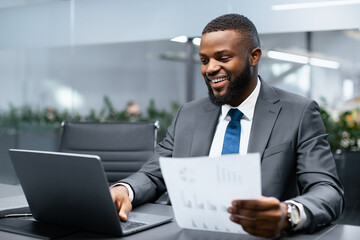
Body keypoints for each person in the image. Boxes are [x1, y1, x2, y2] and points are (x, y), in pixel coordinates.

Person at [110, 14, 344, 238]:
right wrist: (124, 189)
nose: (210, 69)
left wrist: (288, 214)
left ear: (254, 57)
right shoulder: (188, 114)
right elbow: (153, 174)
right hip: (189, 233)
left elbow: (328, 190)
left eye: (222, 58)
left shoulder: (298, 112)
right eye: (204, 60)